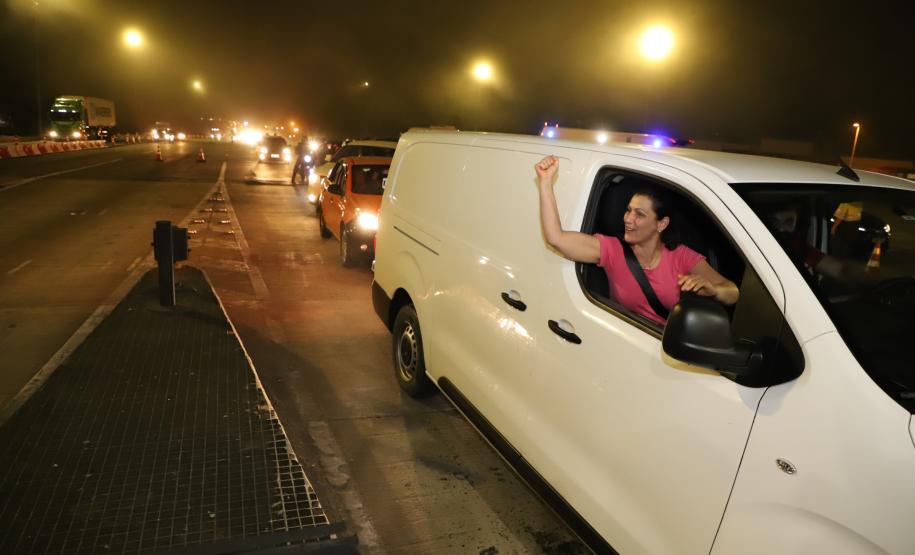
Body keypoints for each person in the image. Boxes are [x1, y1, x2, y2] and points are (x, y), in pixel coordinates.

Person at [535, 155, 739, 325]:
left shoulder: (681, 256)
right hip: (631, 339)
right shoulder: (612, 250)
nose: (628, 219)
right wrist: (545, 182)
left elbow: (732, 292)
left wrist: (714, 290)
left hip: (666, 344)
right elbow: (556, 238)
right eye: (628, 210)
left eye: (639, 214)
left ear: (661, 224)